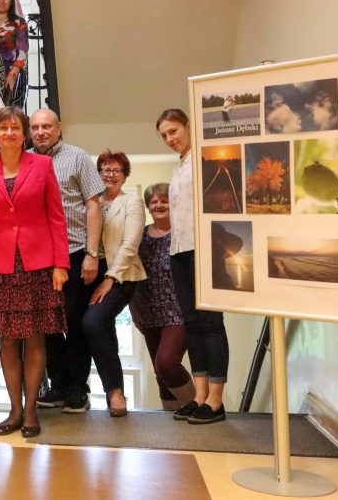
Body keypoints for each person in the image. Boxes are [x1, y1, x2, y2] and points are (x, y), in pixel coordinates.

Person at [0, 107, 68, 438]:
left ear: (24, 133)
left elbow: (56, 217)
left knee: (35, 337)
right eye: (3, 128)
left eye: (15, 127)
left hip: (37, 265)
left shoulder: (42, 165)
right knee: (8, 340)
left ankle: (30, 412)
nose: (9, 133)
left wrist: (60, 264)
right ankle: (13, 410)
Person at [27, 109, 105, 415]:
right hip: (39, 257)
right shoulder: (26, 160)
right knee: (47, 325)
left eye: (47, 126)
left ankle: (77, 389)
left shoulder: (77, 157)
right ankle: (57, 385)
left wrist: (92, 253)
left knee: (74, 323)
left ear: (59, 128)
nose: (41, 132)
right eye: (35, 127)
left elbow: (94, 205)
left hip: (75, 253)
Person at [157, 108, 229, 424]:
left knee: (210, 322)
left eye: (173, 131)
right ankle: (199, 395)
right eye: (163, 136)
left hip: (205, 248)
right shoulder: (179, 166)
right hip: (180, 250)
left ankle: (216, 400)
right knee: (192, 323)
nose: (169, 139)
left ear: (188, 126)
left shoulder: (204, 157)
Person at [81, 150, 147, 418]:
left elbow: (130, 245)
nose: (110, 174)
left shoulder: (131, 202)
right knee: (102, 328)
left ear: (124, 175)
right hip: (90, 271)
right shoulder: (90, 202)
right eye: (105, 170)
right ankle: (103, 391)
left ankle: (114, 392)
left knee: (93, 323)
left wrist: (110, 278)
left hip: (121, 275)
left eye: (116, 170)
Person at [134, 183, 194, 410]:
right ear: (148, 207)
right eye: (154, 201)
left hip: (178, 311)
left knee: (167, 363)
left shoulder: (183, 234)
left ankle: (197, 406)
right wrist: (133, 308)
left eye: (164, 200)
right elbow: (132, 272)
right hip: (148, 312)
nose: (159, 205)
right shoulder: (140, 236)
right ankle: (171, 429)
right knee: (161, 374)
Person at [0, 0, 29, 93]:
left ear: (11, 2)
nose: (2, 1)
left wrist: (12, 74)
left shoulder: (19, 23)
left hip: (10, 72)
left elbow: (23, 52)